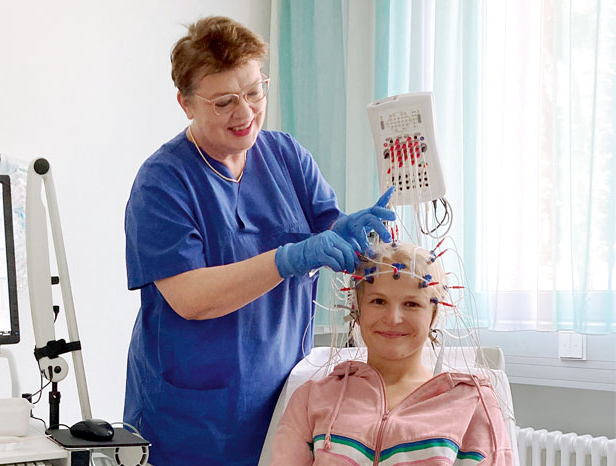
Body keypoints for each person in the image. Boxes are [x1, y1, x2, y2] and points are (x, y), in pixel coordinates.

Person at [123, 16, 396, 465]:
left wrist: (353, 233)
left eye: (254, 92)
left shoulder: (285, 156)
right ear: (186, 104)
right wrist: (286, 260)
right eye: (225, 102)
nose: (246, 113)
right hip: (191, 421)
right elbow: (191, 299)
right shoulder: (163, 182)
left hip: (282, 402)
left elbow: (331, 229)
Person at [269, 242, 513, 465]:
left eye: (412, 304)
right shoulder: (311, 400)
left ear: (433, 315)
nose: (393, 318)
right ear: (357, 309)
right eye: (378, 301)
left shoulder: (473, 405)